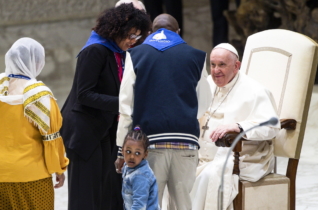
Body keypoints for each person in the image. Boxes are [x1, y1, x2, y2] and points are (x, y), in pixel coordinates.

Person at [115, 14, 212, 210]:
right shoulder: (196, 56)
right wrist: (183, 114)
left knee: (147, 203)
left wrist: (120, 149)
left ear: (151, 32)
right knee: (184, 205)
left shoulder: (136, 55)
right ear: (178, 32)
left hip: (148, 145)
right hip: (186, 142)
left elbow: (125, 107)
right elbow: (204, 102)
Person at [60, 4, 151, 210]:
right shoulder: (95, 50)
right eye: (130, 35)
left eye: (137, 37)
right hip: (84, 133)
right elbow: (84, 95)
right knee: (85, 197)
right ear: (115, 30)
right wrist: (125, 104)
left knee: (106, 194)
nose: (132, 41)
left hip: (103, 128)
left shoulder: (116, 52)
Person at [0, 37, 69, 209]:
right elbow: (51, 138)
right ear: (36, 62)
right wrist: (59, 168)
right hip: (31, 177)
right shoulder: (39, 95)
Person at [189, 43, 280, 210]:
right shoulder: (207, 84)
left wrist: (239, 126)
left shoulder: (255, 91)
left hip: (242, 157)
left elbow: (273, 127)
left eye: (222, 65)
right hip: (202, 155)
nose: (216, 70)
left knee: (208, 177)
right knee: (176, 171)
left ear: (236, 66)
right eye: (213, 64)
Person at [121, 126, 160, 210]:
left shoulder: (141, 176)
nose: (132, 156)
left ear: (145, 154)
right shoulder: (127, 168)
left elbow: (139, 206)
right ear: (122, 151)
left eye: (137, 153)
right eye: (128, 151)